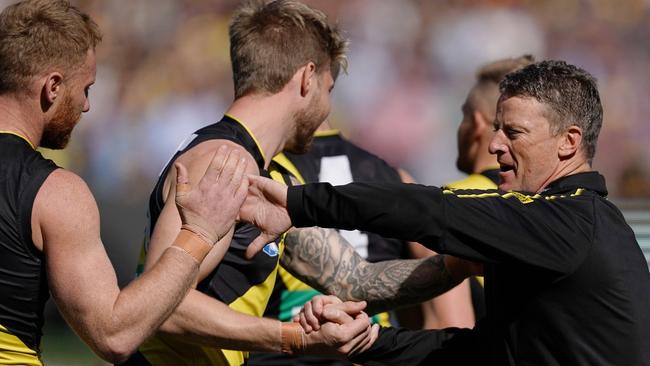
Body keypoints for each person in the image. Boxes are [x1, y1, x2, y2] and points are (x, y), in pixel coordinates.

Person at [242, 60, 650, 365]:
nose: (493, 145)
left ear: (568, 142)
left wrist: (299, 204)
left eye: (514, 132)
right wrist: (370, 340)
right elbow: (480, 351)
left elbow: (435, 212)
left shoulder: (568, 222)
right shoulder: (562, 231)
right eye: (495, 129)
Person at [0, 0, 252, 364]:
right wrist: (198, 234)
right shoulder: (54, 193)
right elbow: (114, 334)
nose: (86, 106)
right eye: (85, 88)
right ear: (52, 86)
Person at [125, 1, 378, 365]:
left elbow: (357, 278)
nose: (327, 111)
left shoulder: (263, 173)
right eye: (329, 88)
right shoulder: (226, 163)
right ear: (307, 79)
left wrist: (456, 260)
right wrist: (294, 338)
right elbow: (164, 307)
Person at [249, 120, 471, 365]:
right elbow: (451, 319)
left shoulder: (262, 176)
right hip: (371, 352)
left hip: (282, 353)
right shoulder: (396, 179)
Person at [428, 55, 535, 328]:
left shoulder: (450, 204)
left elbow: (446, 325)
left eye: (462, 115)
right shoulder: (553, 206)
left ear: (476, 123)